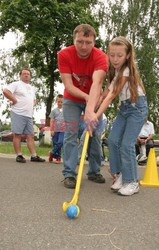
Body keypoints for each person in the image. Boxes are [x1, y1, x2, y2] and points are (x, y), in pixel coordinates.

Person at [95, 36, 148, 196]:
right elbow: (105, 94)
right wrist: (94, 106)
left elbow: (112, 95)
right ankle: (120, 174)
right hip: (124, 109)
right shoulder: (115, 71)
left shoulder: (126, 70)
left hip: (137, 108)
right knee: (112, 140)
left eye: (119, 55)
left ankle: (132, 182)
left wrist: (96, 116)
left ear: (127, 56)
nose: (115, 59)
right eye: (112, 55)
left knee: (126, 144)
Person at [58, 23, 108, 188]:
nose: (84, 46)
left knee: (94, 134)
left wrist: (90, 106)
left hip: (94, 98)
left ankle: (94, 172)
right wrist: (86, 98)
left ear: (94, 42)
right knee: (71, 133)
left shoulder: (101, 56)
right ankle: (69, 174)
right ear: (74, 40)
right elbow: (69, 86)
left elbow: (97, 83)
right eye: (80, 41)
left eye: (88, 42)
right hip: (72, 99)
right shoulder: (64, 54)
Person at [3, 68, 45, 163]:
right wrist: (14, 100)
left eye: (28, 74)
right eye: (24, 74)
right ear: (21, 75)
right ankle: (19, 155)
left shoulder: (31, 88)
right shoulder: (16, 84)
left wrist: (32, 104)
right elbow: (5, 91)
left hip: (29, 115)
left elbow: (34, 99)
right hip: (18, 113)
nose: (26, 75)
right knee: (17, 135)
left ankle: (34, 156)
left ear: (30, 76)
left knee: (30, 136)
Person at [49, 94, 64, 164]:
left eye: (62, 102)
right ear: (56, 102)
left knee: (60, 142)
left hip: (63, 130)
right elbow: (51, 121)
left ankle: (52, 152)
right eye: (59, 102)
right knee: (55, 143)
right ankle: (57, 157)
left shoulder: (66, 111)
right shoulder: (54, 111)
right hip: (55, 130)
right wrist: (51, 130)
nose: (60, 103)